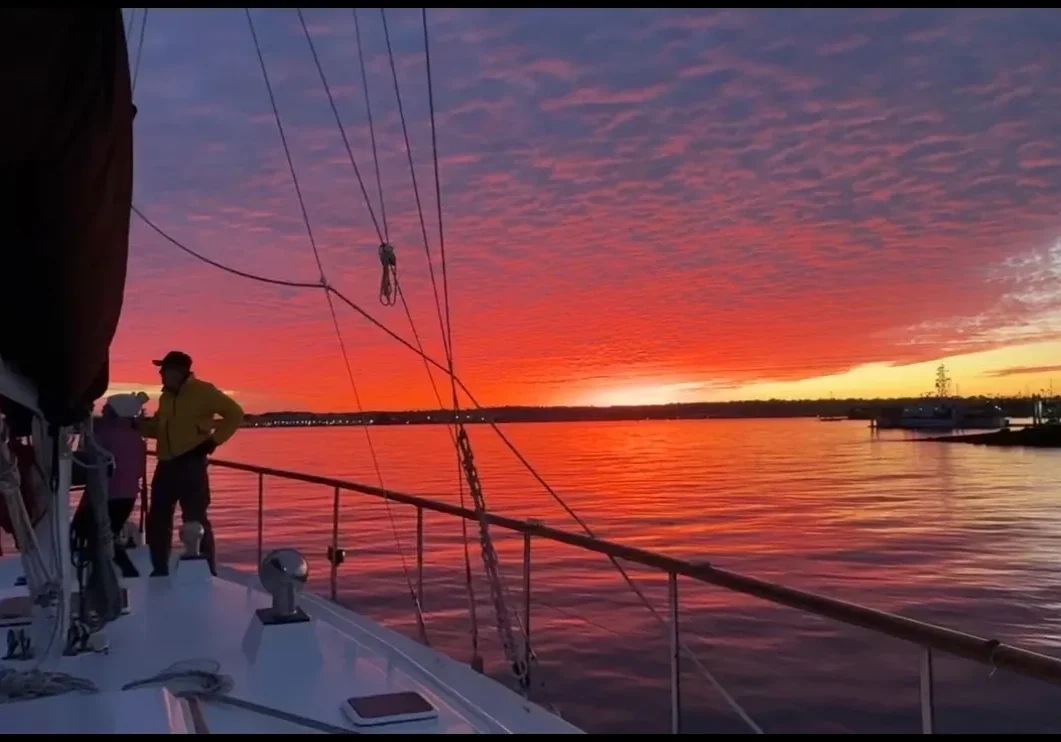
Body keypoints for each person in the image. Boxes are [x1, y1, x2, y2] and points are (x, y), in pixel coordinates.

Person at [138, 351, 244, 576]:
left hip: (191, 465)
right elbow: (159, 429)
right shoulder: (166, 397)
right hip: (165, 464)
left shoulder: (203, 391)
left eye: (164, 369)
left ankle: (206, 571)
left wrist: (212, 442)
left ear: (178, 371)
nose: (160, 373)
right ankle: (159, 568)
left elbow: (235, 414)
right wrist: (137, 426)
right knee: (157, 519)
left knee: (195, 519)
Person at [71, 393, 147, 577]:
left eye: (107, 408)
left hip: (107, 495)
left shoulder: (106, 435)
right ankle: (114, 571)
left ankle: (121, 571)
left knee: (88, 532)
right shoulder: (136, 438)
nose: (103, 410)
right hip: (127, 496)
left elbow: (87, 456)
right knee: (105, 534)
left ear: (115, 413)